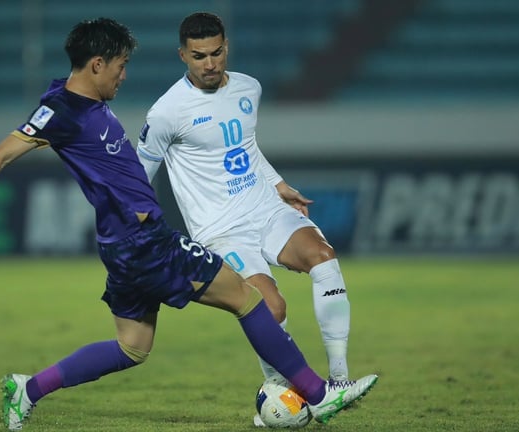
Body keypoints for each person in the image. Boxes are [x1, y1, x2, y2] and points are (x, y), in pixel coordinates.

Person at [0, 17, 377, 431]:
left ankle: (28, 389)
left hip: (122, 246)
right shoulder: (62, 111)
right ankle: (320, 394)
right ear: (97, 64)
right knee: (249, 300)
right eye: (120, 66)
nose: (123, 76)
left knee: (131, 347)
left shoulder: (79, 99)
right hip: (144, 241)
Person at [136, 12, 356, 427]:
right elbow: (136, 176)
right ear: (182, 55)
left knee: (323, 257)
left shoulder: (248, 88)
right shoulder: (167, 112)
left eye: (216, 52)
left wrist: (278, 184)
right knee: (270, 306)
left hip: (265, 208)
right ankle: (280, 390)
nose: (209, 63)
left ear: (226, 47)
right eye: (198, 56)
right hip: (221, 231)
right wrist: (137, 226)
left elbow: (248, 149)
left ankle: (340, 382)